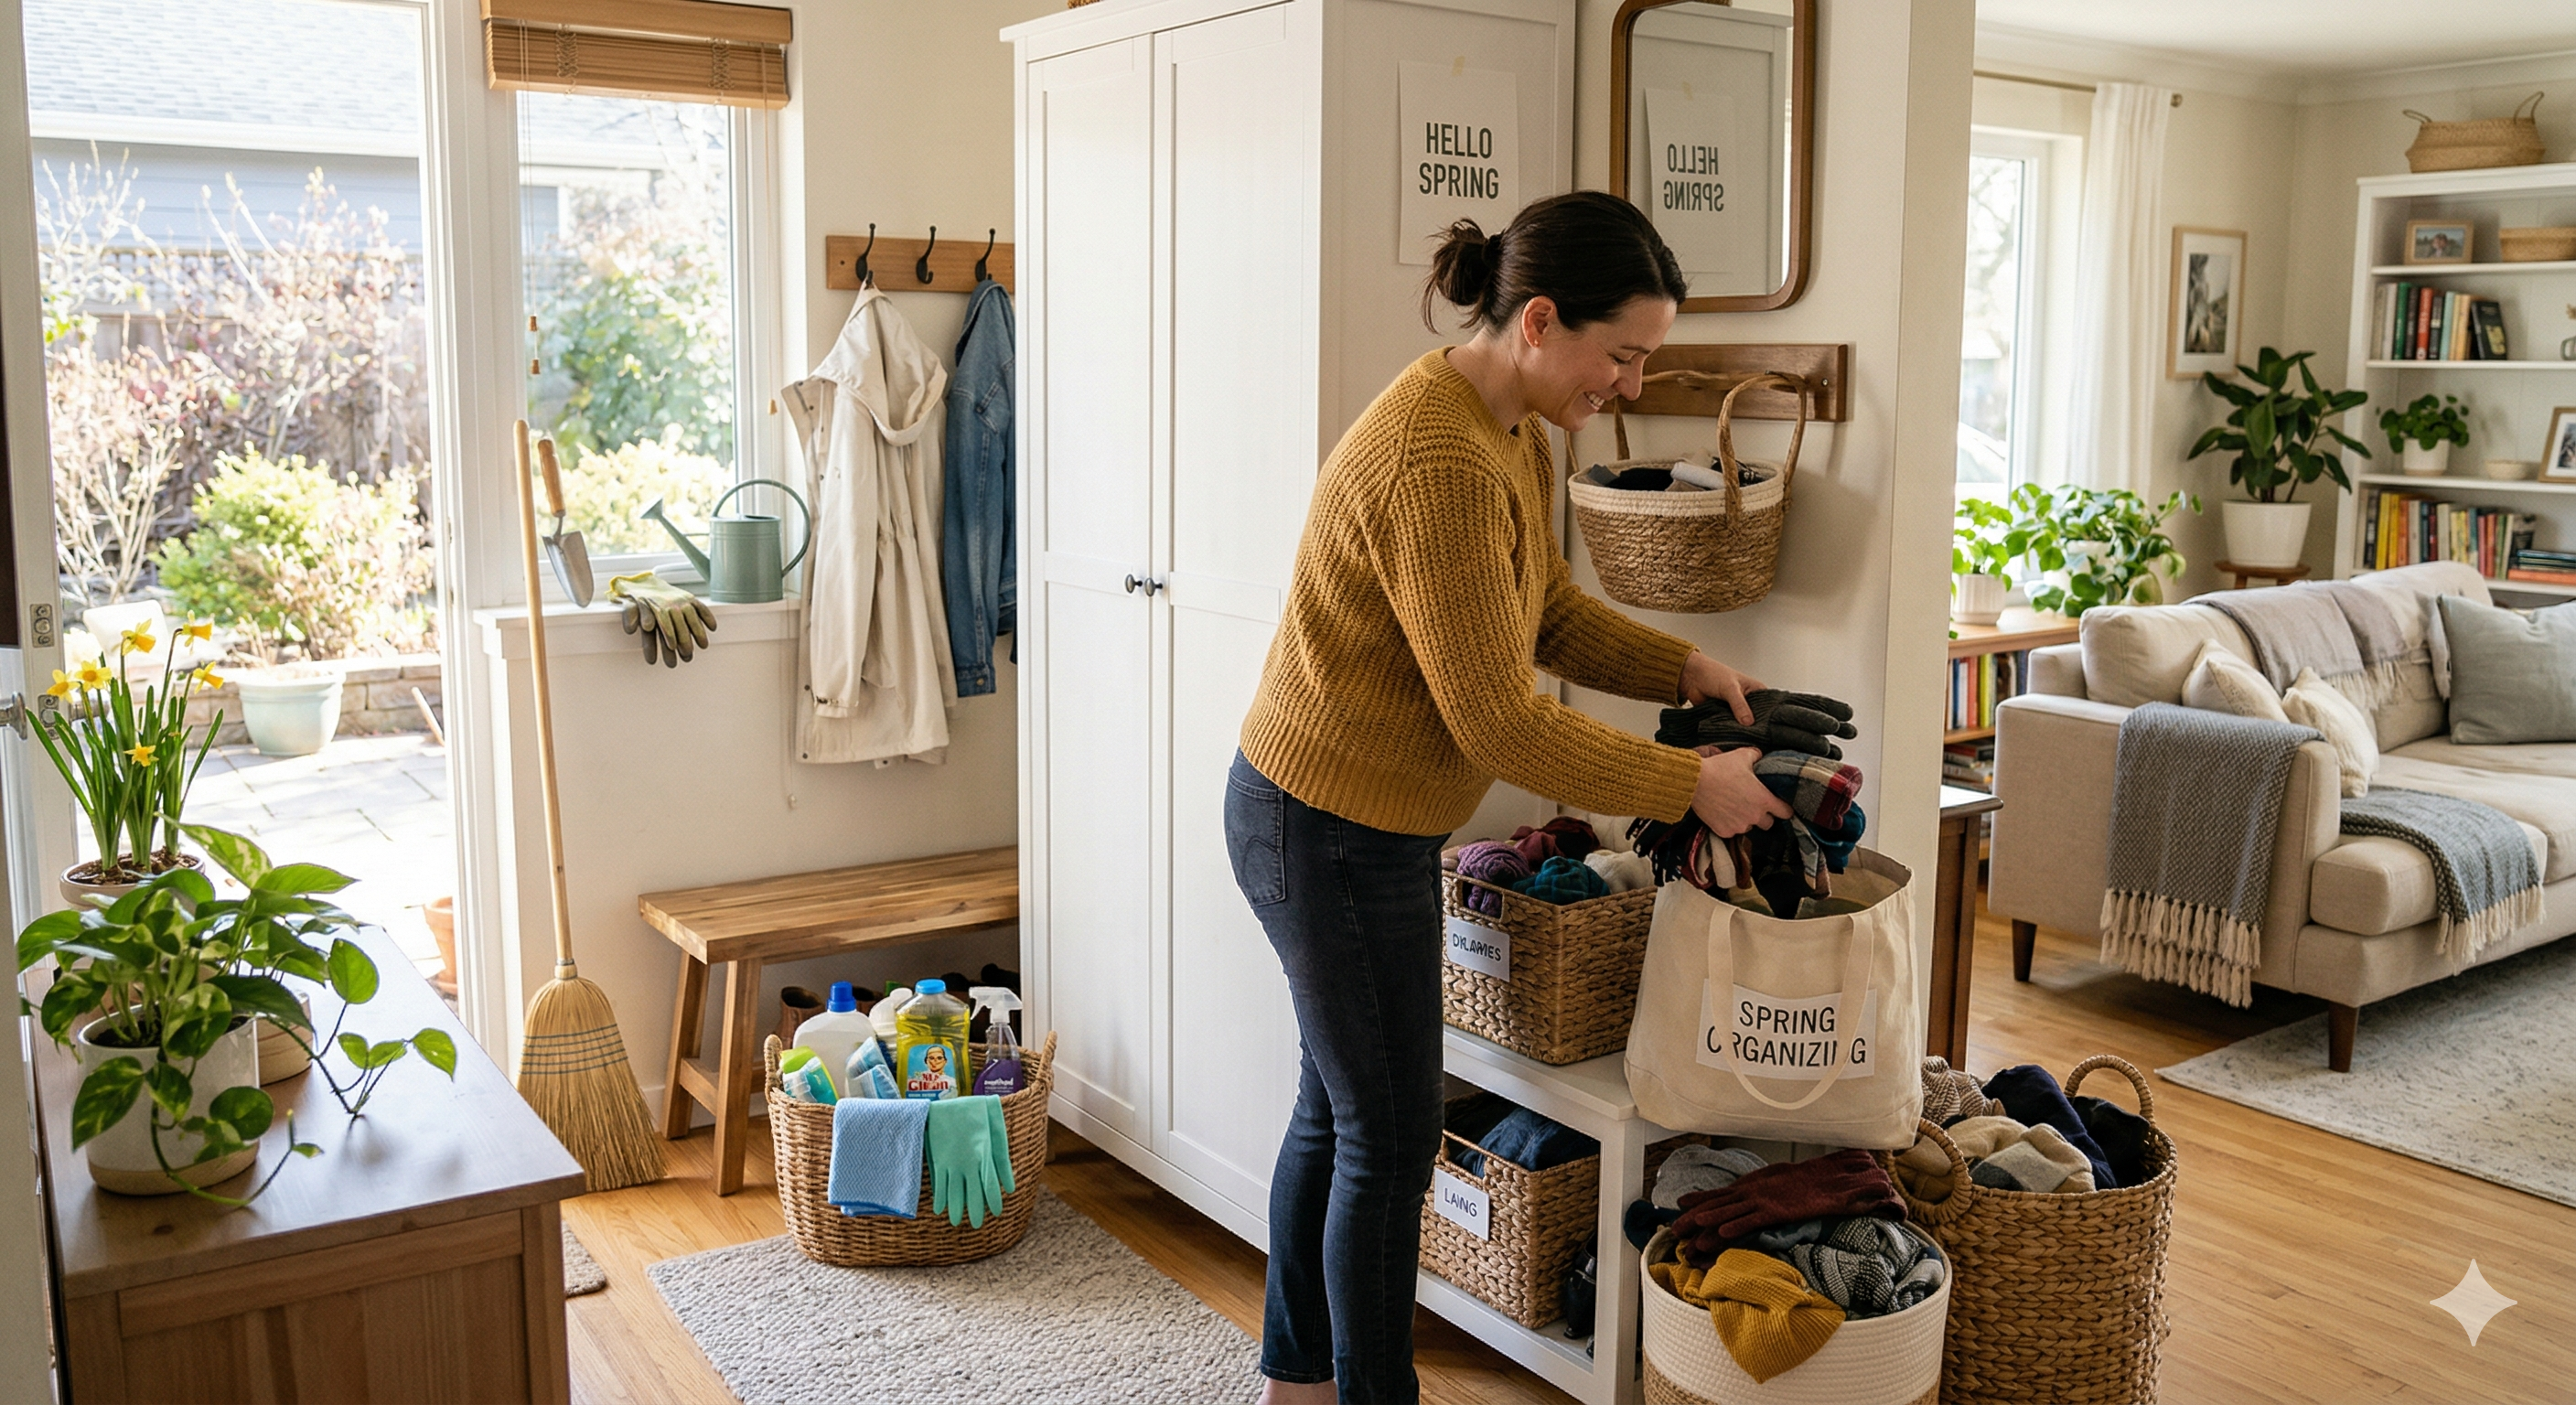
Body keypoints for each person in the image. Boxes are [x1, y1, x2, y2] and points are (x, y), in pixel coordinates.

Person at [1226, 190, 1791, 1404]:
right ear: (1539, 320)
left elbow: (1543, 613)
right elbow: (1499, 719)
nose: (1631, 385)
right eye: (1622, 354)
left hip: (1346, 819)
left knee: (1341, 1114)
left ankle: (1294, 1386)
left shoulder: (1513, 431)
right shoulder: (1438, 458)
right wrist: (1690, 785)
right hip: (1324, 828)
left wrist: (1681, 667)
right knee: (1388, 1134)